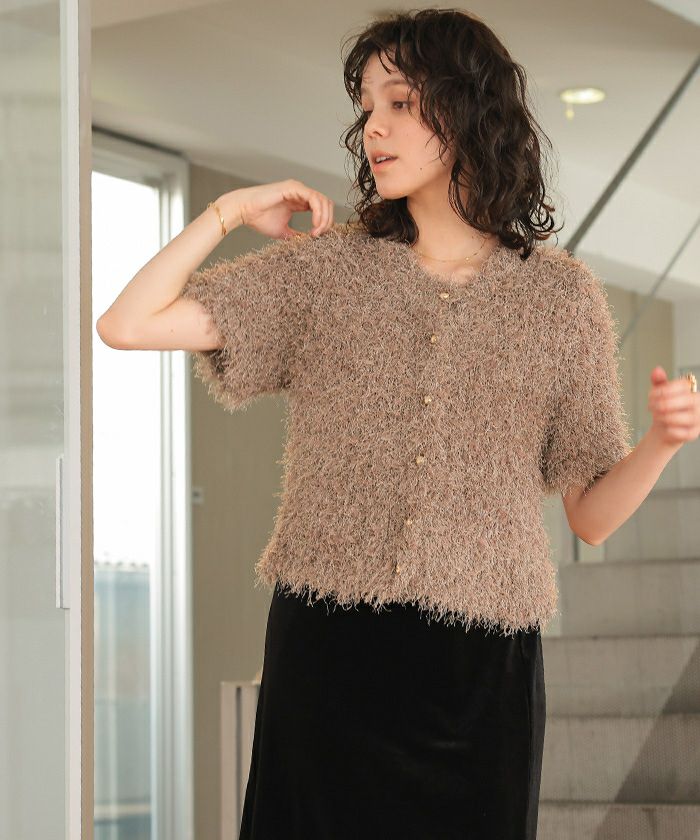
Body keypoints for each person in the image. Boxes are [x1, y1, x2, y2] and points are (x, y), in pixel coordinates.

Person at [96, 9, 699, 840]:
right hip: (329, 653)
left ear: (469, 111)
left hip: (480, 675)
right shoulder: (326, 274)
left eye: (402, 102)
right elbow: (126, 324)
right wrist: (227, 212)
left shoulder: (561, 302)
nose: (373, 127)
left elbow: (590, 517)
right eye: (367, 107)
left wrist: (663, 444)